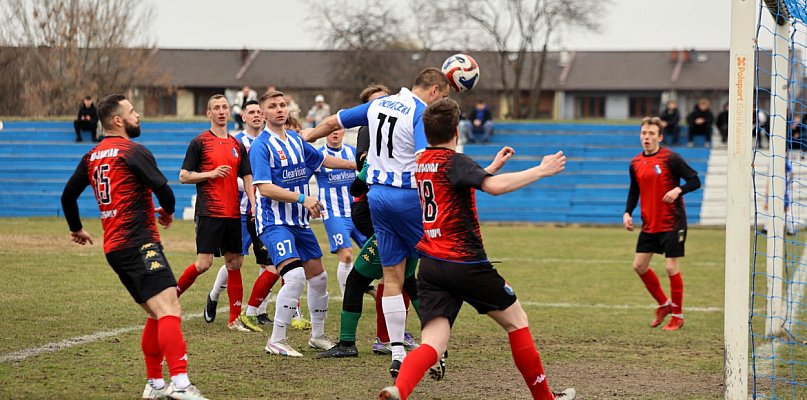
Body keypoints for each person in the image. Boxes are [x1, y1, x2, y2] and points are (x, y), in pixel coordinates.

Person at [378, 98, 574, 400]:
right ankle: (546, 398)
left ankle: (399, 389)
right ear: (457, 131)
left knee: (433, 343)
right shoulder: (456, 161)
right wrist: (541, 170)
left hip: (431, 264)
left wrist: (490, 167)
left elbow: (454, 183)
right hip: (464, 263)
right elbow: (492, 187)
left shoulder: (422, 161)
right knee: (517, 321)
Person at [304, 68, 451, 377]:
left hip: (377, 199)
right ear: (435, 90)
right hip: (408, 199)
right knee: (435, 271)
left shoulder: (379, 104)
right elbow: (427, 160)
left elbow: (332, 122)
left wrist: (303, 139)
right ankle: (435, 348)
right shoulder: (421, 112)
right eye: (444, 97)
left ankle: (397, 353)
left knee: (392, 277)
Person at [60, 94, 208, 400]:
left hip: (115, 248)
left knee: (156, 313)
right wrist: (167, 211)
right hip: (139, 242)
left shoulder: (91, 156)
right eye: (132, 112)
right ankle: (180, 384)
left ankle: (155, 384)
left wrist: (76, 229)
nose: (138, 115)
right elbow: (165, 191)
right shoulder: (133, 151)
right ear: (118, 121)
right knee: (169, 309)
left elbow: (67, 197)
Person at [250, 90, 357, 357]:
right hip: (274, 222)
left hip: (298, 222)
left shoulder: (297, 141)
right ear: (263, 114)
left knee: (319, 279)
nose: (279, 109)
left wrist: (356, 165)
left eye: (283, 105)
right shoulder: (261, 146)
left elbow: (322, 161)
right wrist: (303, 198)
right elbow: (264, 188)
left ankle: (317, 336)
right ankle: (276, 339)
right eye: (273, 106)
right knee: (295, 277)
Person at [176, 94, 259, 332]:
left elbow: (247, 176)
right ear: (209, 113)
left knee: (234, 263)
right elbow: (184, 176)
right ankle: (171, 299)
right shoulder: (199, 142)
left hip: (234, 212)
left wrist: (253, 202)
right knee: (204, 263)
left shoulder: (237, 145)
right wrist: (209, 174)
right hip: (210, 212)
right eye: (217, 108)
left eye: (224, 107)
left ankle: (234, 320)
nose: (222, 111)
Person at [203, 100, 278, 329]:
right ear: (243, 117)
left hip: (266, 210)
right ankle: (214, 295)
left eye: (259, 112)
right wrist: (253, 185)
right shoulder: (236, 141)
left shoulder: (271, 141)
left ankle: (260, 311)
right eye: (251, 112)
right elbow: (229, 175)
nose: (256, 115)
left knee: (269, 261)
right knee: (236, 261)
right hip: (239, 210)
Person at [623, 117, 701, 332]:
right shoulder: (635, 163)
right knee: (639, 266)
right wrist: (628, 212)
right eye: (644, 133)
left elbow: (695, 180)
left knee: (670, 267)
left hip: (672, 222)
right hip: (649, 223)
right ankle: (664, 305)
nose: (646, 137)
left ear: (660, 137)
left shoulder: (671, 158)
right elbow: (634, 191)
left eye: (651, 134)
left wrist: (678, 190)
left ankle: (677, 315)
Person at [314, 128, 366, 296]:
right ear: (325, 132)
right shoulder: (318, 155)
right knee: (347, 255)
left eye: (338, 129)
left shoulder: (353, 152)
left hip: (357, 213)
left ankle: (367, 286)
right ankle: (347, 298)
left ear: (344, 131)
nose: (335, 132)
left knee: (374, 253)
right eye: (331, 130)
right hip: (333, 213)